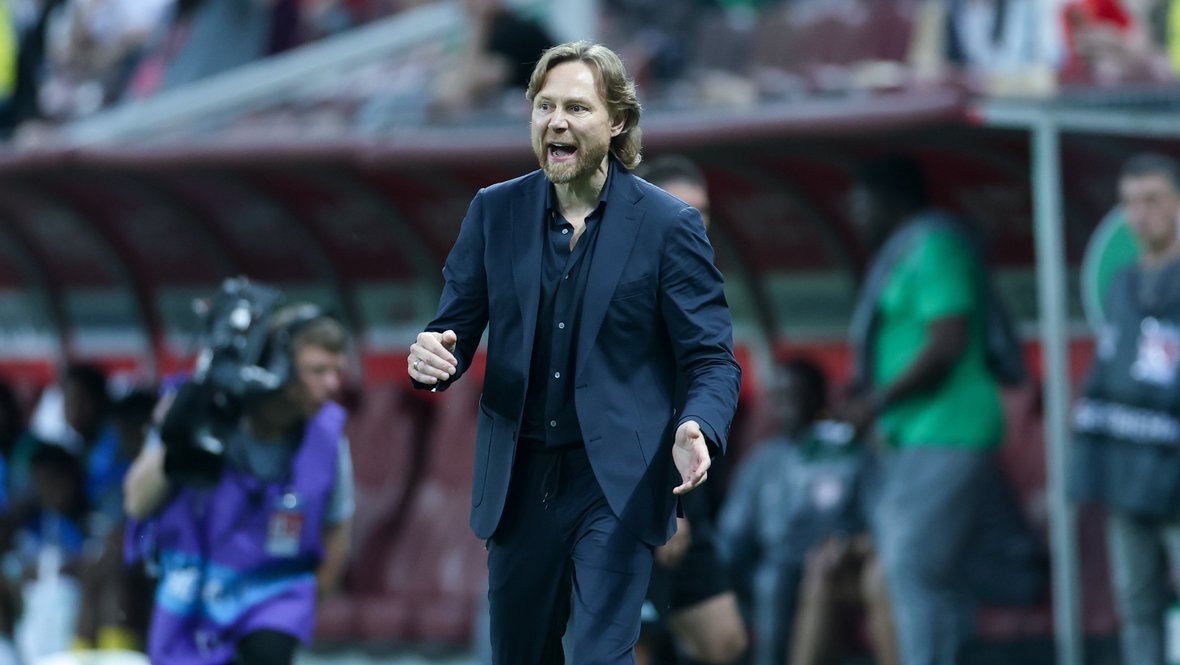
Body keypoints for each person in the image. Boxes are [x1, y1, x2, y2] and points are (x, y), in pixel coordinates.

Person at [406, 41, 742, 665]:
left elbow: (711, 359)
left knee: (598, 657)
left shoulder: (669, 225)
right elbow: (450, 331)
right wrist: (431, 357)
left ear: (617, 122)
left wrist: (699, 424)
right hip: (519, 480)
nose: (556, 121)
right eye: (545, 106)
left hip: (616, 482)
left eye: (577, 108)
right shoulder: (493, 211)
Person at [123, 300, 355, 665]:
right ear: (277, 365)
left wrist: (305, 610)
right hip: (191, 588)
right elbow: (137, 502)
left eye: (337, 371)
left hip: (271, 595)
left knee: (268, 653)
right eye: (317, 370)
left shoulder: (329, 440)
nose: (332, 385)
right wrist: (178, 437)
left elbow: (337, 534)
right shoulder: (202, 406)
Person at [842, 155, 1006, 665]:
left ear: (891, 202)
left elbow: (947, 340)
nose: (856, 218)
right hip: (914, 433)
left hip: (950, 428)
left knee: (910, 565)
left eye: (862, 206)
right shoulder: (903, 253)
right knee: (922, 572)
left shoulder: (936, 246)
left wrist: (877, 401)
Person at [634, 153, 747, 665]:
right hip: (638, 498)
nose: (695, 224)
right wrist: (662, 507)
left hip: (687, 495)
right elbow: (626, 411)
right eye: (682, 210)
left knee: (725, 642)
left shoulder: (700, 288)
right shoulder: (626, 292)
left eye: (702, 212)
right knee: (631, 648)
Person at [1070, 153, 1180, 665]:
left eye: (1152, 200)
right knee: (1136, 603)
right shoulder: (1122, 282)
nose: (1141, 214)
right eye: (1130, 203)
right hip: (1127, 466)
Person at [718, 357, 895, 665]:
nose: (788, 406)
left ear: (819, 399)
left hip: (836, 562)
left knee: (781, 580)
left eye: (797, 395)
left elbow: (877, 519)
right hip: (774, 562)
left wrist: (847, 542)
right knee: (769, 580)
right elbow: (733, 532)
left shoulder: (849, 453)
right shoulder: (763, 460)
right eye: (780, 397)